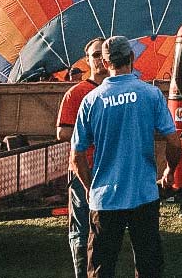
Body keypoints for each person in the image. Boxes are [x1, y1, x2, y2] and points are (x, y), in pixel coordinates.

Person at [73, 36, 182, 278]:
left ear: (104, 61)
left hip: (105, 197)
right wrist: (169, 170)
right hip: (143, 195)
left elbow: (77, 155)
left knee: (101, 269)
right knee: (148, 267)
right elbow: (174, 142)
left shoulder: (91, 100)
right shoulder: (151, 94)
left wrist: (90, 188)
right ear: (132, 57)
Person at [56, 38, 108, 278]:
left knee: (104, 225)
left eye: (102, 55)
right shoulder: (76, 93)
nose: (99, 60)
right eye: (94, 55)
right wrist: (93, 132)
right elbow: (62, 132)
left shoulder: (115, 91)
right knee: (81, 225)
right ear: (87, 60)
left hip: (108, 167)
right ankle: (81, 272)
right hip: (82, 168)